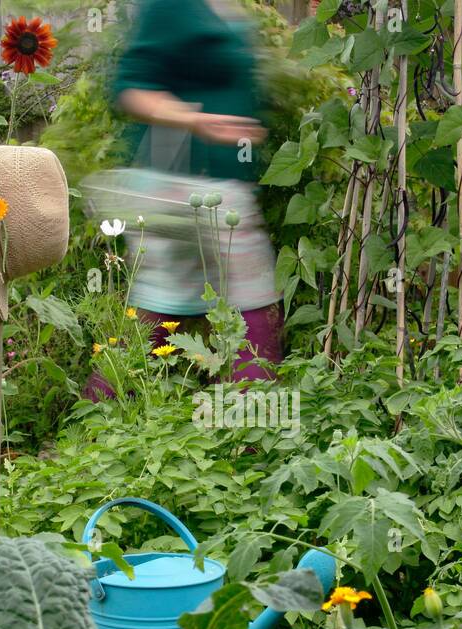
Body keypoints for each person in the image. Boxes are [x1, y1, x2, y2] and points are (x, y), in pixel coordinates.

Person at [83, 0, 282, 400]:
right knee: (250, 309)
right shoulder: (171, 6)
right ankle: (252, 431)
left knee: (160, 311)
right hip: (183, 188)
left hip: (217, 189)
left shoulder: (223, 7)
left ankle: (102, 416)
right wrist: (197, 120)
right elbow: (130, 89)